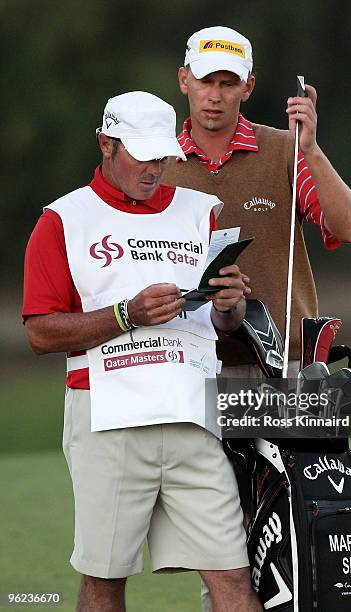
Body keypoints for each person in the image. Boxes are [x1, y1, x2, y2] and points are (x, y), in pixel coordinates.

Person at [22, 91, 262, 612]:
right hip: (108, 419)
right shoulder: (62, 220)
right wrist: (123, 316)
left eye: (161, 154)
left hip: (193, 415)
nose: (155, 167)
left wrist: (230, 306)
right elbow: (40, 332)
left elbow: (224, 323)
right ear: (106, 143)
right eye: (141, 153)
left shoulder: (201, 213)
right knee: (105, 580)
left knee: (234, 576)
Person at [161, 26, 351, 376]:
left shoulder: (286, 149)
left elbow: (348, 228)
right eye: (206, 81)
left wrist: (310, 149)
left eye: (227, 84)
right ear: (184, 80)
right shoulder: (158, 164)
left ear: (247, 87)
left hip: (283, 363)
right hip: (184, 362)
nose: (215, 95)